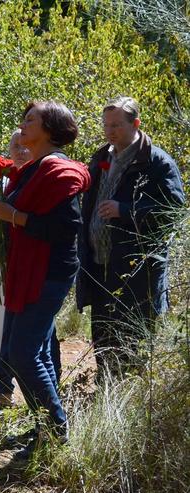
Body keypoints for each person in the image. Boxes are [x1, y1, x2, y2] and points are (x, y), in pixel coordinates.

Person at [0, 101, 90, 457]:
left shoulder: (59, 171)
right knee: (31, 352)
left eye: (31, 119)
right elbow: (22, 216)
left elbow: (66, 229)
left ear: (50, 128)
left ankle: (57, 431)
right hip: (27, 271)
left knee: (23, 352)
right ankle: (44, 428)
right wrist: (3, 218)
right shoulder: (33, 169)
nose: (23, 124)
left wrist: (13, 216)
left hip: (47, 273)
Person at [77, 97, 185, 380]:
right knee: (102, 331)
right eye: (106, 125)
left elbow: (174, 211)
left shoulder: (156, 162)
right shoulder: (102, 157)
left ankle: (129, 393)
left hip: (136, 268)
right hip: (99, 262)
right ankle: (106, 390)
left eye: (117, 125)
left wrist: (125, 211)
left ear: (135, 124)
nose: (110, 131)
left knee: (132, 334)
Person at [0, 129, 35, 407]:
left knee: (31, 334)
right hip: (3, 266)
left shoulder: (39, 179)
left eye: (26, 145)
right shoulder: (1, 182)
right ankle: (0, 389)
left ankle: (41, 394)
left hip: (30, 268)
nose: (21, 150)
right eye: (16, 146)